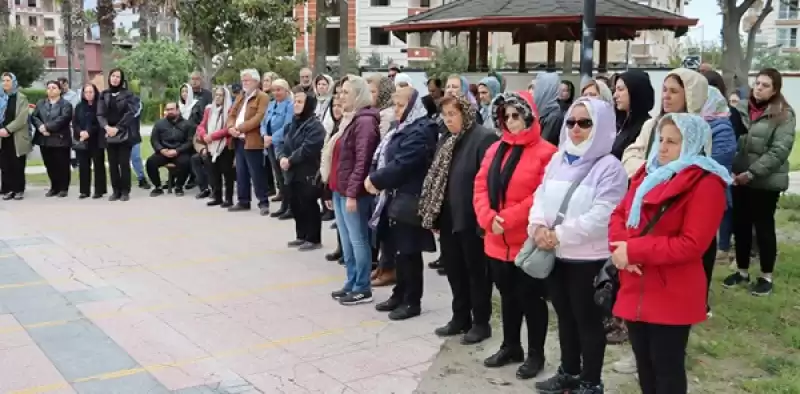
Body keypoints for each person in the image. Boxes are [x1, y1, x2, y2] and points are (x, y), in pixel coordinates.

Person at [609, 113, 730, 394]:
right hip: (635, 283)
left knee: (667, 370)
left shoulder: (706, 183)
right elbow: (619, 214)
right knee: (645, 367)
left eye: (673, 142)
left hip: (671, 290)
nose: (662, 147)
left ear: (693, 144)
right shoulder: (648, 173)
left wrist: (634, 250)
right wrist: (620, 250)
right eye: (661, 139)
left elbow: (692, 243)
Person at [531, 98, 627, 393]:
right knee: (564, 316)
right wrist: (536, 228)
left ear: (600, 127)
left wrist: (559, 233)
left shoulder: (610, 167)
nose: (575, 129)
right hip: (556, 254)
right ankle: (569, 372)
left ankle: (591, 381)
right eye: (571, 122)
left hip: (588, 259)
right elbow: (540, 195)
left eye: (585, 123)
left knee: (587, 321)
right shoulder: (559, 159)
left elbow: (602, 215)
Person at [473, 91, 558, 378]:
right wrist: (487, 217)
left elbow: (541, 197)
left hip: (526, 241)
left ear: (529, 116)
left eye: (516, 115)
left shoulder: (547, 153)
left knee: (531, 299)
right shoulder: (494, 149)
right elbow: (480, 186)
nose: (511, 121)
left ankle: (536, 353)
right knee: (507, 297)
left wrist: (507, 218)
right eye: (505, 116)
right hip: (496, 240)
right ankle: (511, 345)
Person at [419, 94, 499, 344]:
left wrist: (483, 221)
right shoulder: (447, 138)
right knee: (454, 271)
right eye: (445, 115)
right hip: (448, 217)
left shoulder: (483, 138)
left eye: (452, 114)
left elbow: (489, 182)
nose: (448, 119)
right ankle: (460, 317)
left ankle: (481, 322)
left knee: (476, 274)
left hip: (472, 219)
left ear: (465, 113)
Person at [366, 86, 438, 320]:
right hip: (394, 197)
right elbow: (384, 155)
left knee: (409, 251)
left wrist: (376, 179)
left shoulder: (422, 129)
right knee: (397, 251)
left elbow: (404, 163)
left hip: (410, 199)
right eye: (395, 105)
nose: (396, 110)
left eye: (400, 105)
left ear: (412, 105)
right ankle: (400, 293)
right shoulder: (403, 126)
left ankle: (412, 301)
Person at [724, 68, 796, 296]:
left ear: (775, 90)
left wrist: (752, 173)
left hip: (765, 182)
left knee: (763, 227)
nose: (759, 88)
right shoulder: (740, 108)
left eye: (765, 85)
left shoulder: (784, 114)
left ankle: (766, 276)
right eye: (757, 83)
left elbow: (779, 151)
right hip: (739, 178)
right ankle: (742, 271)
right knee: (740, 225)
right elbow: (729, 136)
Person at [329, 76, 381, 306]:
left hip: (354, 193)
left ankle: (363, 287)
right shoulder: (350, 119)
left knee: (358, 240)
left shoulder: (366, 121)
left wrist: (351, 193)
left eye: (347, 92)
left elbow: (363, 161)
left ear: (359, 95)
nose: (341, 96)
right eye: (340, 92)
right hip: (340, 190)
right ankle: (351, 281)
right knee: (348, 241)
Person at [700, 86, 737, 288]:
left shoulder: (722, 127)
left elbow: (715, 164)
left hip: (711, 192)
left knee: (705, 243)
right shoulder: (697, 123)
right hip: (697, 190)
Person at [281, 86, 325, 251]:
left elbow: (308, 147)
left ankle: (313, 238)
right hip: (291, 171)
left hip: (307, 170)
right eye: (295, 101)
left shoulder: (315, 126)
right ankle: (301, 235)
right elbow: (284, 142)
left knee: (308, 204)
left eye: (300, 102)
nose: (296, 105)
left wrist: (290, 160)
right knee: (296, 204)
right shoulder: (293, 122)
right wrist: (282, 157)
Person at [228, 69, 271, 215]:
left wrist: (240, 128)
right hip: (239, 140)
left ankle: (263, 202)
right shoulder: (241, 96)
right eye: (243, 80)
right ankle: (243, 200)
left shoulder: (262, 97)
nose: (244, 83)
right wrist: (230, 127)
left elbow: (259, 117)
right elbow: (232, 114)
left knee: (256, 172)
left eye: (247, 80)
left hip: (253, 140)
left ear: (256, 82)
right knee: (241, 172)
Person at [98, 68, 140, 202]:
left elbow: (131, 113)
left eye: (118, 76)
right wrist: (106, 127)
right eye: (113, 76)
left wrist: (118, 128)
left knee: (124, 163)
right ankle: (116, 191)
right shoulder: (103, 94)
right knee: (112, 163)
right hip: (108, 132)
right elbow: (100, 114)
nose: (115, 78)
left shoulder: (128, 94)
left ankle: (125, 191)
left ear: (121, 79)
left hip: (124, 132)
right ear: (109, 78)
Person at [32, 80, 74, 197]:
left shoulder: (66, 104)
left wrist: (46, 127)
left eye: (54, 87)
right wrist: (40, 126)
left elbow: (63, 119)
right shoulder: (41, 103)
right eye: (49, 87)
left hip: (60, 139)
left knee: (62, 165)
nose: (51, 89)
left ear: (60, 90)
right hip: (44, 140)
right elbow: (34, 117)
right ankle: (54, 187)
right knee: (49, 164)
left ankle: (63, 188)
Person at [196, 87, 235, 207]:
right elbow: (201, 125)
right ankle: (217, 197)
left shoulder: (230, 110)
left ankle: (228, 199)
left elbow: (228, 129)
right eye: (216, 95)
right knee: (214, 172)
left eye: (221, 95)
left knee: (227, 173)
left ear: (225, 97)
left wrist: (212, 136)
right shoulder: (209, 109)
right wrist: (204, 135)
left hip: (225, 145)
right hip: (211, 145)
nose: (218, 97)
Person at [261, 79, 294, 219]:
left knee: (286, 177)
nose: (276, 92)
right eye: (274, 90)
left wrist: (272, 138)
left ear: (286, 90)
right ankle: (284, 205)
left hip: (282, 144)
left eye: (279, 89)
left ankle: (290, 207)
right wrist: (264, 135)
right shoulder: (271, 104)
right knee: (279, 177)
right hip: (270, 144)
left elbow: (288, 125)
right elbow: (263, 122)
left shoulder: (290, 106)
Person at [146, 102, 195, 197]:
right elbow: (154, 140)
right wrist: (162, 150)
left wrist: (177, 150)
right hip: (163, 151)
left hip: (179, 152)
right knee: (150, 162)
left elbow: (189, 142)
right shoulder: (159, 124)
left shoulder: (187, 124)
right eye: (167, 110)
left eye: (172, 109)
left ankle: (179, 186)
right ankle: (158, 187)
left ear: (178, 110)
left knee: (186, 162)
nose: (169, 112)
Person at [73, 83, 107, 199]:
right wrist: (80, 132)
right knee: (83, 166)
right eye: (86, 92)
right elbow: (75, 122)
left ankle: (99, 190)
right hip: (82, 140)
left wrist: (89, 132)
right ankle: (84, 191)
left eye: (90, 92)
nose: (88, 94)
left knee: (98, 165)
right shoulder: (79, 107)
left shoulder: (100, 105)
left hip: (96, 139)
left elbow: (100, 123)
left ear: (95, 92)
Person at [0, 72, 31, 201]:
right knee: (5, 164)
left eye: (8, 80)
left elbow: (22, 118)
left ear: (14, 82)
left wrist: (8, 129)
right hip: (2, 137)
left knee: (17, 163)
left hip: (16, 136)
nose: (5, 83)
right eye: (3, 80)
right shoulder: (1, 97)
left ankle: (18, 189)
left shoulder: (21, 98)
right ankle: (7, 189)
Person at [612, 70, 655, 160]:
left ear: (635, 91)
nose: (615, 95)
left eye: (620, 89)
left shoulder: (647, 127)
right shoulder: (618, 122)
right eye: (615, 90)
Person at [533, 73, 567, 146]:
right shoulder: (540, 112)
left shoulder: (554, 116)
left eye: (536, 87)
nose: (535, 91)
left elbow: (543, 145)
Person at [130, 95, 151, 190]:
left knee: (136, 158)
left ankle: (141, 178)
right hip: (119, 136)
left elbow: (136, 111)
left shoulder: (135, 100)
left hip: (133, 136)